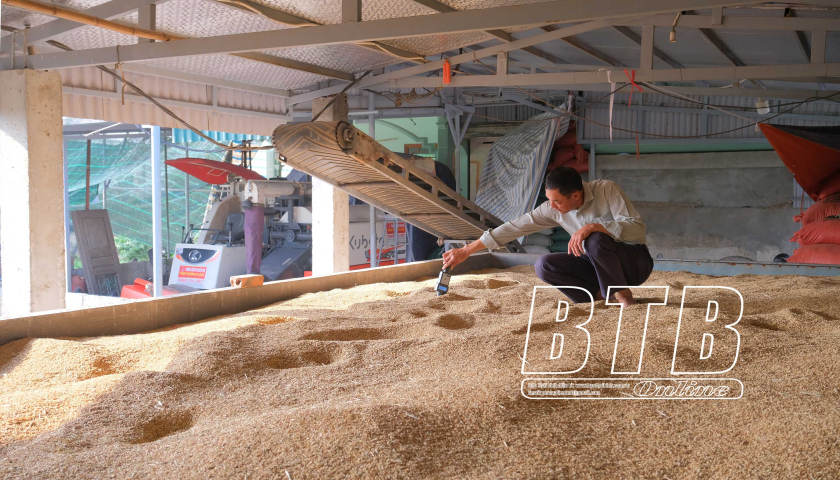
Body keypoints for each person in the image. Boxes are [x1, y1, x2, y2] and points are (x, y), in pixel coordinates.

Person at [442, 166, 653, 307]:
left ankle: (625, 297)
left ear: (576, 195)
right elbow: (514, 227)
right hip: (599, 269)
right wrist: (467, 250)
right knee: (544, 265)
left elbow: (637, 229)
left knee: (594, 238)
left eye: (557, 201)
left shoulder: (606, 189)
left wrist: (593, 227)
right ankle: (598, 299)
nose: (551, 206)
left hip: (635, 263)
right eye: (549, 200)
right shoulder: (552, 209)